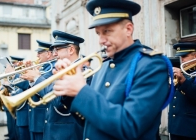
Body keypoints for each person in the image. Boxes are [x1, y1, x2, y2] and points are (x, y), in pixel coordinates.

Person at [52, 0, 174, 139]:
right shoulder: (103, 65)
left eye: (107, 31)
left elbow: (130, 126)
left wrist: (81, 91)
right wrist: (69, 93)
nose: (101, 40)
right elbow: (89, 121)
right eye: (98, 33)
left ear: (128, 29)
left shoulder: (151, 64)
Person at [42, 30, 85, 140]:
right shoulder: (59, 70)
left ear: (71, 50)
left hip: (67, 135)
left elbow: (58, 102)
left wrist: (37, 79)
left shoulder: (83, 73)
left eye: (57, 49)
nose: (54, 53)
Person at [20, 40, 56, 140]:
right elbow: (30, 85)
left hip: (42, 118)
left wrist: (32, 76)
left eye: (40, 53)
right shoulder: (43, 68)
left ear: (48, 54)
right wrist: (27, 72)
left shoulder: (51, 68)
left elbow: (44, 89)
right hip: (35, 117)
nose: (37, 55)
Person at [168, 42, 196, 140]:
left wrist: (183, 80)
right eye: (180, 57)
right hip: (175, 127)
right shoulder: (184, 71)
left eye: (184, 56)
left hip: (191, 130)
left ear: (195, 55)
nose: (182, 59)